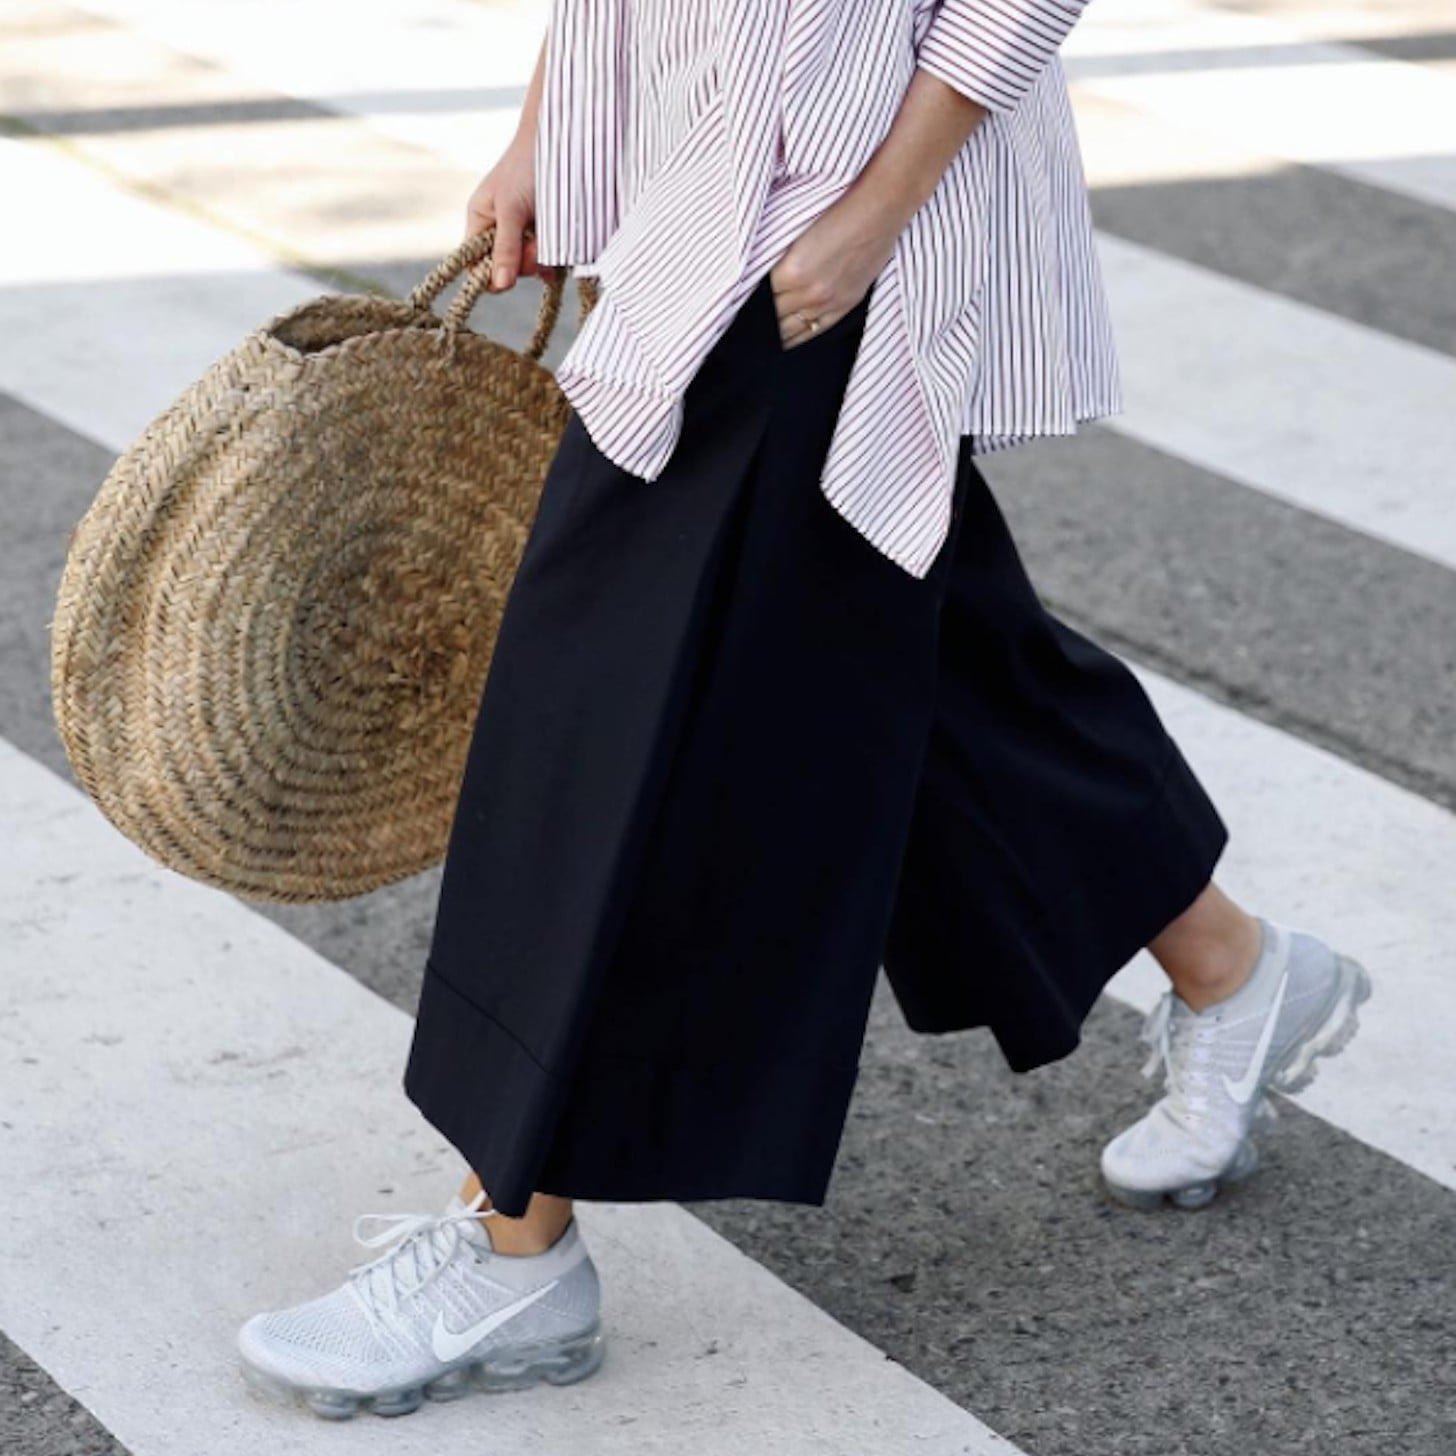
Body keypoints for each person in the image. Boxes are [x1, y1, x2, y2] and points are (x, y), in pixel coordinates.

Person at [236, 0, 1372, 1421]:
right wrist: (547, 131)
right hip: (705, 160)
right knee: (898, 625)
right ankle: (1230, 967)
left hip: (835, 194)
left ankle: (509, 1238)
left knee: (608, 680)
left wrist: (879, 210)